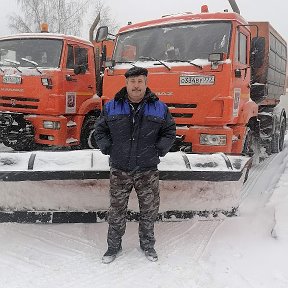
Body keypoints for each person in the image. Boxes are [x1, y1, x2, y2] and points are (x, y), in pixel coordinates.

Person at [94, 66, 176, 264]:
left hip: (147, 170)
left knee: (149, 210)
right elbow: (100, 130)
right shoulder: (112, 106)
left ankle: (147, 245)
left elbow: (169, 131)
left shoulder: (159, 108)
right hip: (120, 169)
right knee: (116, 210)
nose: (136, 85)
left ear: (146, 83)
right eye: (132, 81)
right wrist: (107, 147)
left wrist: (159, 149)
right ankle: (113, 247)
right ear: (126, 83)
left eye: (140, 81)